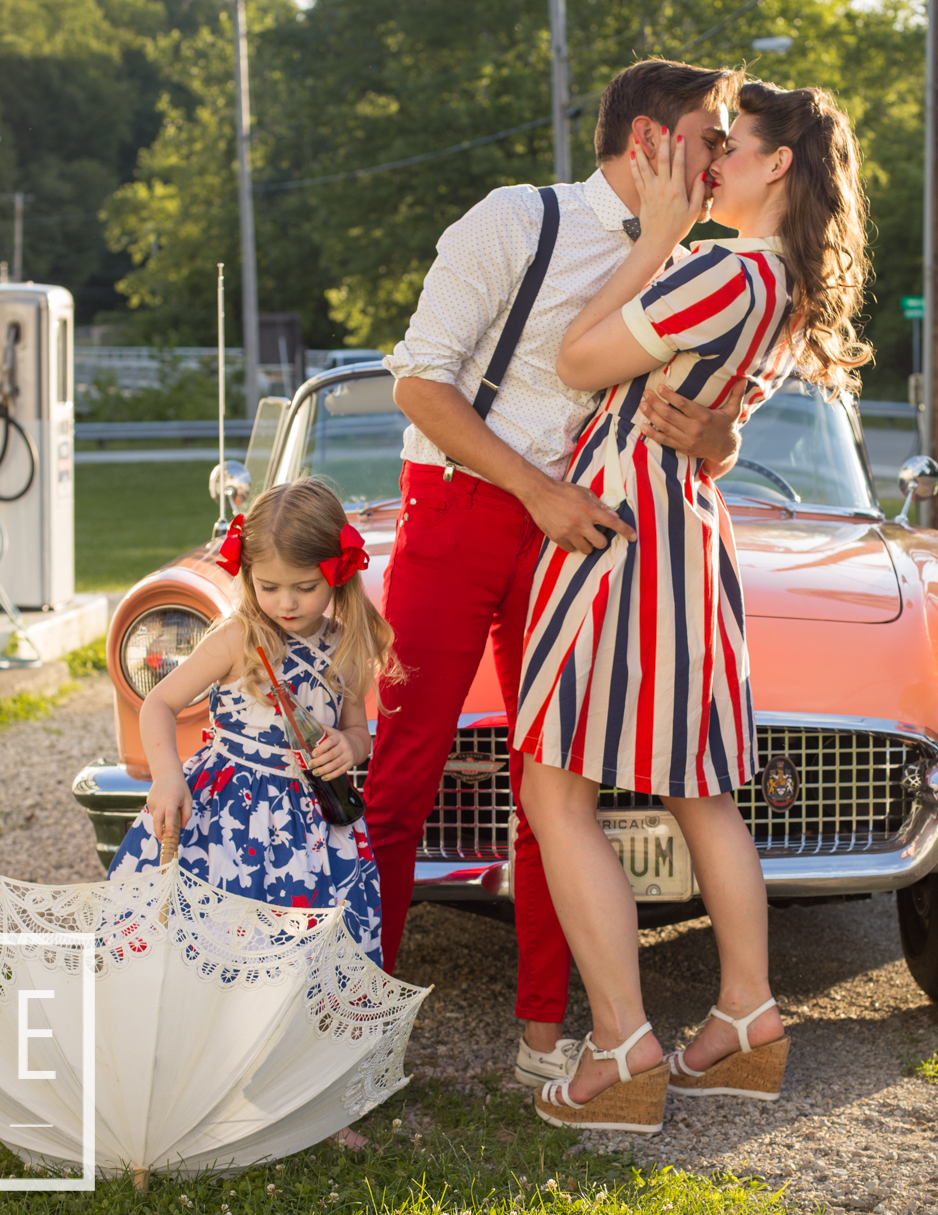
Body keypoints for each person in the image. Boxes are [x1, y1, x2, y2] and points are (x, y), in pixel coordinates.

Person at [370, 57, 743, 1090]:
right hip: (459, 508)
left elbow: (710, 433)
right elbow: (416, 378)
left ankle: (542, 1038)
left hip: (579, 530)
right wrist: (534, 490)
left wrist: (715, 438)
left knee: (554, 782)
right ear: (648, 144)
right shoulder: (514, 219)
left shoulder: (694, 262)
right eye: (709, 137)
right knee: (403, 771)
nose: (722, 156)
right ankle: (351, 1032)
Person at [518, 80, 874, 1133]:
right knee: (699, 789)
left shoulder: (722, 265)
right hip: (686, 528)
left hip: (622, 524)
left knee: (553, 786)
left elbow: (575, 359)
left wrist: (658, 235)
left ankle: (624, 1045)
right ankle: (742, 1018)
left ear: (776, 166)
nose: (708, 162)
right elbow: (712, 412)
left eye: (732, 148)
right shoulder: (787, 286)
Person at [110, 480, 396, 966]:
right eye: (269, 587)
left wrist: (348, 749)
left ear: (338, 574)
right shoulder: (237, 638)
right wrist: (166, 776)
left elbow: (358, 735)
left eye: (305, 588)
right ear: (248, 576)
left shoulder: (346, 645)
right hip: (227, 818)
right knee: (218, 939)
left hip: (310, 828)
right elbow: (158, 703)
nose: (286, 603)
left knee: (301, 953)